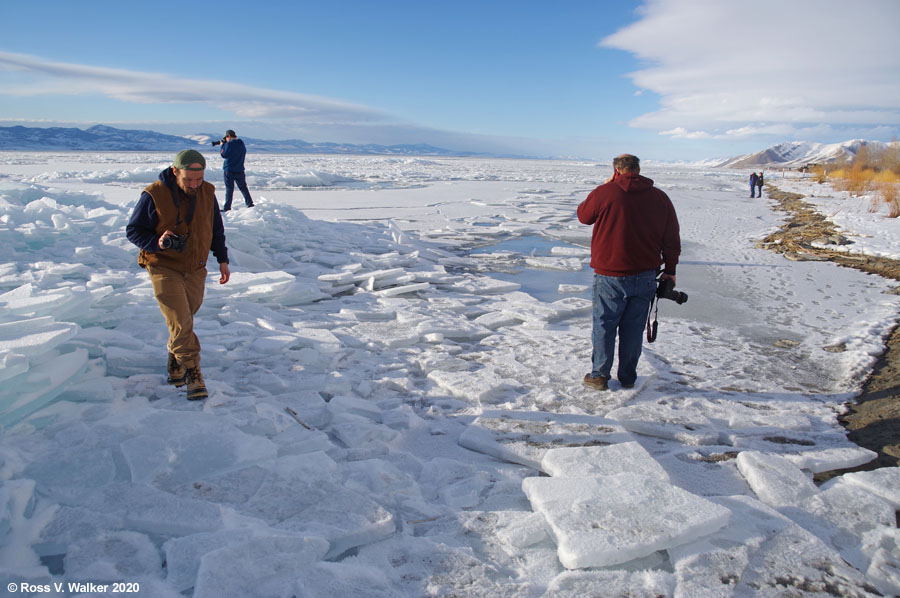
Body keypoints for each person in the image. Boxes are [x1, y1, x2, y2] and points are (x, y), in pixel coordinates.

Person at [126, 149, 230, 400]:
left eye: (199, 179)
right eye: (188, 180)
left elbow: (215, 227)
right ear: (175, 172)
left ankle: (175, 356)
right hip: (163, 265)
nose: (194, 185)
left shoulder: (207, 192)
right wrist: (158, 241)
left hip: (195, 266)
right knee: (181, 322)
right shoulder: (154, 194)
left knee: (186, 316)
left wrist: (223, 259)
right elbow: (133, 230)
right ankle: (193, 372)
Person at [577, 154, 681, 391]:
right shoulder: (660, 197)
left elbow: (584, 216)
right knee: (633, 329)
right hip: (645, 276)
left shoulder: (605, 192)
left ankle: (600, 375)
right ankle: (627, 377)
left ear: (616, 170)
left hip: (610, 275)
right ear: (638, 169)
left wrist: (606, 186)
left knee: (604, 325)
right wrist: (671, 270)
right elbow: (671, 238)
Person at [219, 129, 254, 211]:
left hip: (229, 170)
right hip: (240, 169)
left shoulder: (229, 144)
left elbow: (224, 154)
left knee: (229, 189)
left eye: (226, 138)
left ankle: (227, 208)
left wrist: (222, 145)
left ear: (228, 136)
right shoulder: (241, 144)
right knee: (243, 188)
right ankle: (250, 204)